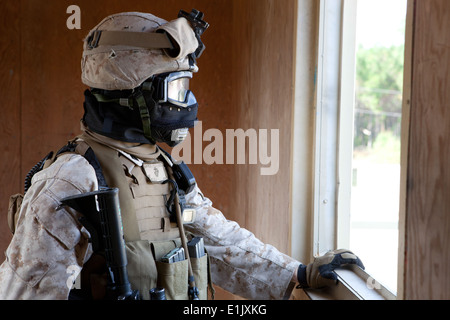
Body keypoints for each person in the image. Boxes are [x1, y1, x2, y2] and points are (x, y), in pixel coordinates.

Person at [0, 10, 364, 300]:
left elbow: (217, 241)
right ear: (130, 94)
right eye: (176, 87)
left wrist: (297, 275)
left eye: (186, 86)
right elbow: (24, 292)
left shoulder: (161, 167)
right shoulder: (72, 179)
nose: (186, 103)